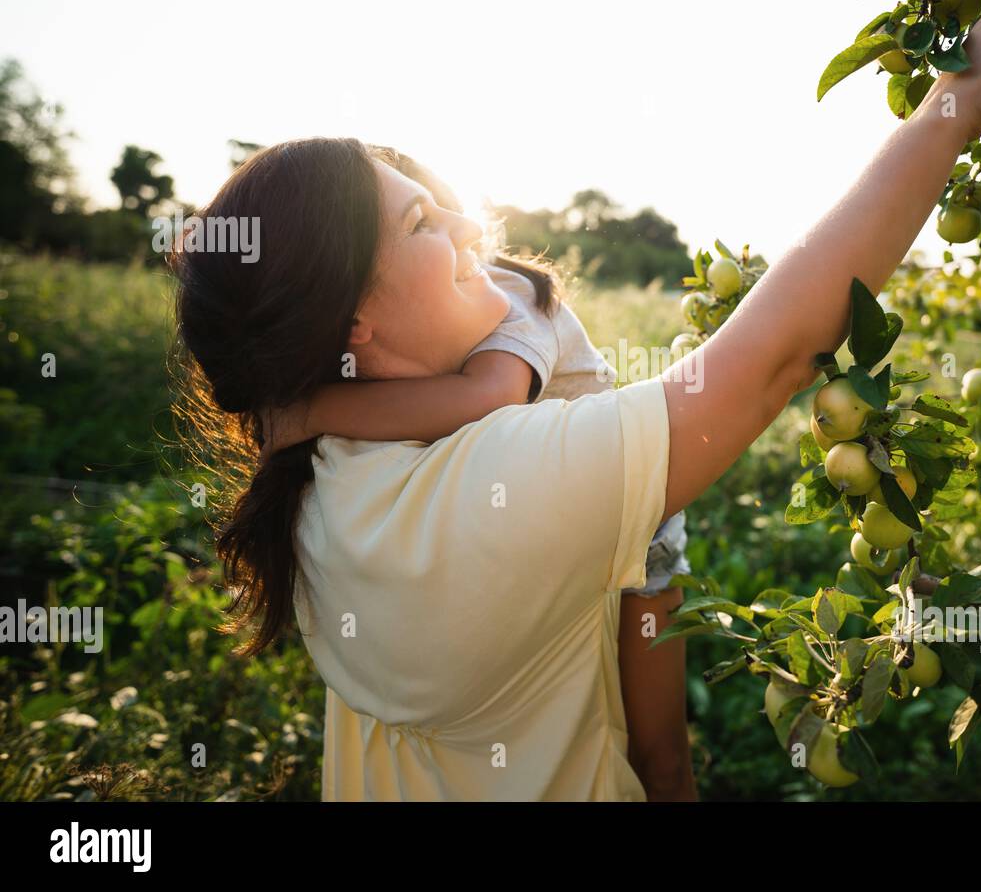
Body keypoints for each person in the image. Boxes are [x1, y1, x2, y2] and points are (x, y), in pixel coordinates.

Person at [170, 0, 981, 801]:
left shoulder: (327, 471)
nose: (466, 228)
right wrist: (957, 102)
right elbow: (770, 356)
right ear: (355, 320)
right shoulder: (484, 494)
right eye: (421, 224)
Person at [258, 150, 699, 799]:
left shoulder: (514, 301)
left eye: (437, 211)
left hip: (642, 524)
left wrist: (309, 411)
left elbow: (482, 400)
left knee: (661, 757)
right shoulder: (439, 310)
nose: (459, 225)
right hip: (560, 501)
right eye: (419, 222)